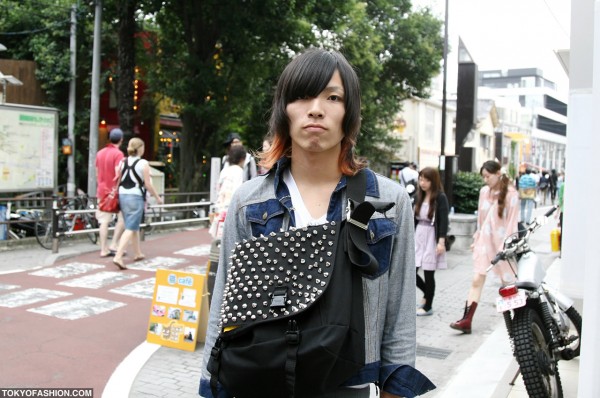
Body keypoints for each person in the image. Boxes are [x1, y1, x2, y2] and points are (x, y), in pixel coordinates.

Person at [199, 48, 434, 397]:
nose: (315, 108)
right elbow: (223, 306)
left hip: (349, 384)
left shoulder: (386, 201)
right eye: (302, 96)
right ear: (284, 110)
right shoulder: (248, 201)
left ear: (349, 112)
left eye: (333, 97)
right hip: (261, 382)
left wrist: (396, 389)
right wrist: (211, 386)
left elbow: (399, 313)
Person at [449, 160, 519, 334]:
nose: (485, 180)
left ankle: (519, 320)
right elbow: (481, 219)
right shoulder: (483, 192)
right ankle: (466, 320)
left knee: (507, 283)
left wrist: (507, 246)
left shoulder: (511, 194)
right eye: (484, 177)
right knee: (476, 279)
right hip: (484, 243)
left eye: (488, 176)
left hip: (502, 245)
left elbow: (512, 224)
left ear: (498, 174)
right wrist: (477, 237)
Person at [112, 137, 163, 270]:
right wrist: (157, 197)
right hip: (135, 196)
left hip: (123, 195)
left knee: (132, 224)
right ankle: (118, 256)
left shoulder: (123, 162)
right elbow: (147, 184)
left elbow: (118, 180)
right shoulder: (143, 163)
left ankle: (137, 253)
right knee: (130, 227)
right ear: (140, 148)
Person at [414, 167, 449, 316]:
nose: (422, 183)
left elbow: (443, 221)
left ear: (433, 181)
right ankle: (427, 295)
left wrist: (441, 242)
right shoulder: (419, 196)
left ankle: (428, 306)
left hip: (431, 237)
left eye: (426, 180)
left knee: (429, 273)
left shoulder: (440, 197)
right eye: (421, 179)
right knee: (411, 272)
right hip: (418, 235)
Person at [95, 128, 125, 257]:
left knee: (103, 221)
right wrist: (116, 187)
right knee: (123, 217)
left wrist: (101, 185)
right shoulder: (118, 154)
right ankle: (114, 243)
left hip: (102, 191)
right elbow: (118, 172)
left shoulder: (100, 153)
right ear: (121, 140)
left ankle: (103, 249)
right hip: (115, 192)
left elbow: (97, 172)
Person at [208, 145, 247, 239]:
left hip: (220, 207)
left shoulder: (224, 171)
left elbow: (218, 188)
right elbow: (237, 192)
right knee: (230, 239)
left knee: (219, 238)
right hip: (230, 209)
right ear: (242, 158)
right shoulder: (239, 172)